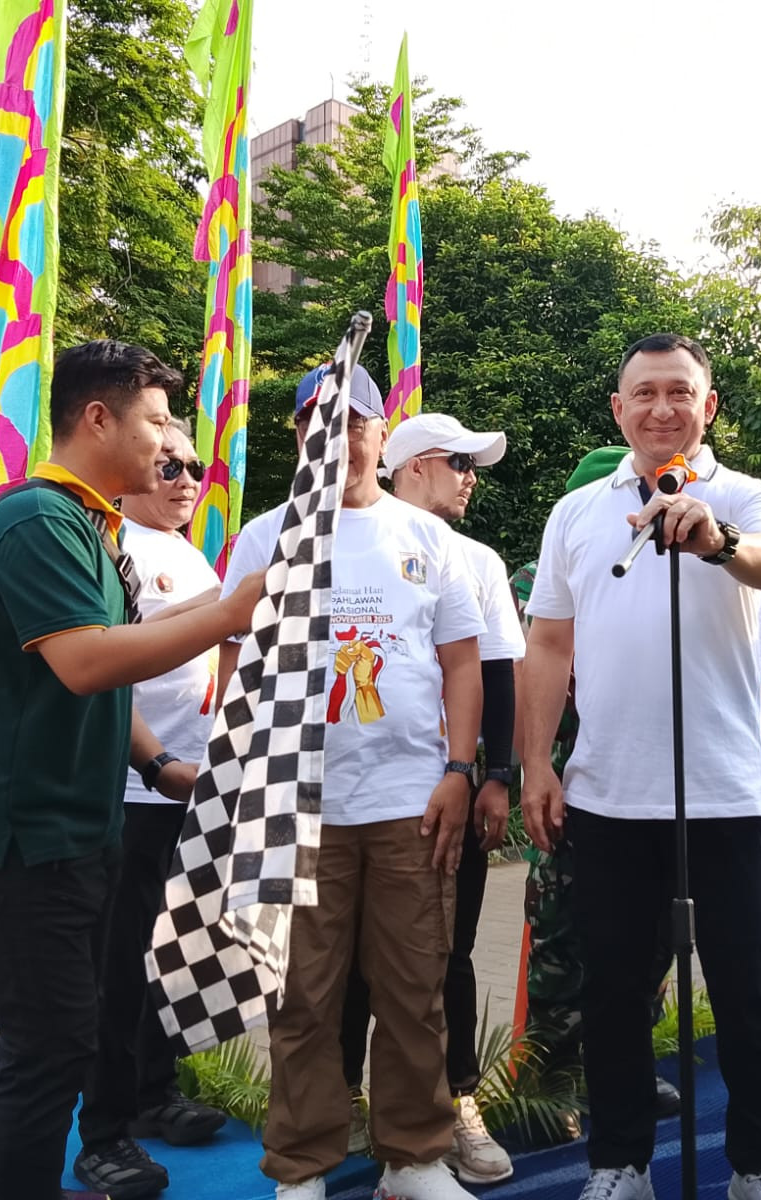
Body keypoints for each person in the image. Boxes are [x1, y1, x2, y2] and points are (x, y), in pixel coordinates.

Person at [0, 340, 267, 1200]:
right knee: (54, 1043)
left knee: (39, 1041)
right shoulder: (39, 520)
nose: (171, 445)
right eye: (157, 422)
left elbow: (113, 655)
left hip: (67, 828)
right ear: (99, 418)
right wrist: (231, 611)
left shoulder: (87, 522)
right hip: (15, 837)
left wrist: (159, 760)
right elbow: (85, 662)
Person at [518, 333, 761, 1200]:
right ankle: (620, 1163)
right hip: (608, 790)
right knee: (613, 992)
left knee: (749, 989)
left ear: (707, 406)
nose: (662, 408)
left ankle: (758, 1165)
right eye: (643, 393)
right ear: (618, 409)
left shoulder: (743, 496)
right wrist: (535, 763)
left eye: (680, 391)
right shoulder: (578, 512)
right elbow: (547, 645)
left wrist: (719, 543)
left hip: (723, 791)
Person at [221, 364, 487, 1200]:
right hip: (297, 803)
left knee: (414, 986)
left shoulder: (427, 537)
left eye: (352, 423)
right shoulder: (265, 536)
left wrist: (460, 769)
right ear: (299, 435)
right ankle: (302, 1165)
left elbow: (462, 663)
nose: (334, 439)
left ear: (380, 431)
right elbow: (233, 660)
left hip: (410, 799)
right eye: (316, 424)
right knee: (303, 993)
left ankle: (413, 1158)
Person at [329, 411, 523, 1184]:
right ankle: (341, 1103)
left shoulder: (473, 557)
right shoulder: (322, 536)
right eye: (458, 462)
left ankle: (454, 1100)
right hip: (336, 794)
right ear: (411, 464)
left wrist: (495, 775)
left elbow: (497, 670)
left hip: (441, 792)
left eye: (474, 465)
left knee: (446, 955)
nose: (471, 478)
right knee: (338, 962)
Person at [508, 448, 681, 1143]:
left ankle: (624, 1064)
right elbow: (531, 664)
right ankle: (547, 1077)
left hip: (654, 780)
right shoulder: (538, 576)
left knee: (653, 934)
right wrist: (530, 769)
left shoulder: (670, 567)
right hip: (572, 773)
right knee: (563, 928)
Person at [74, 418, 228, 1197]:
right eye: (169, 466)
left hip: (193, 787)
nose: (186, 480)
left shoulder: (192, 554)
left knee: (176, 951)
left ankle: (154, 1091)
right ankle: (103, 1128)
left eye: (194, 467)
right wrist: (157, 761)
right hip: (136, 786)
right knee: (119, 958)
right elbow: (103, 659)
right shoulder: (110, 545)